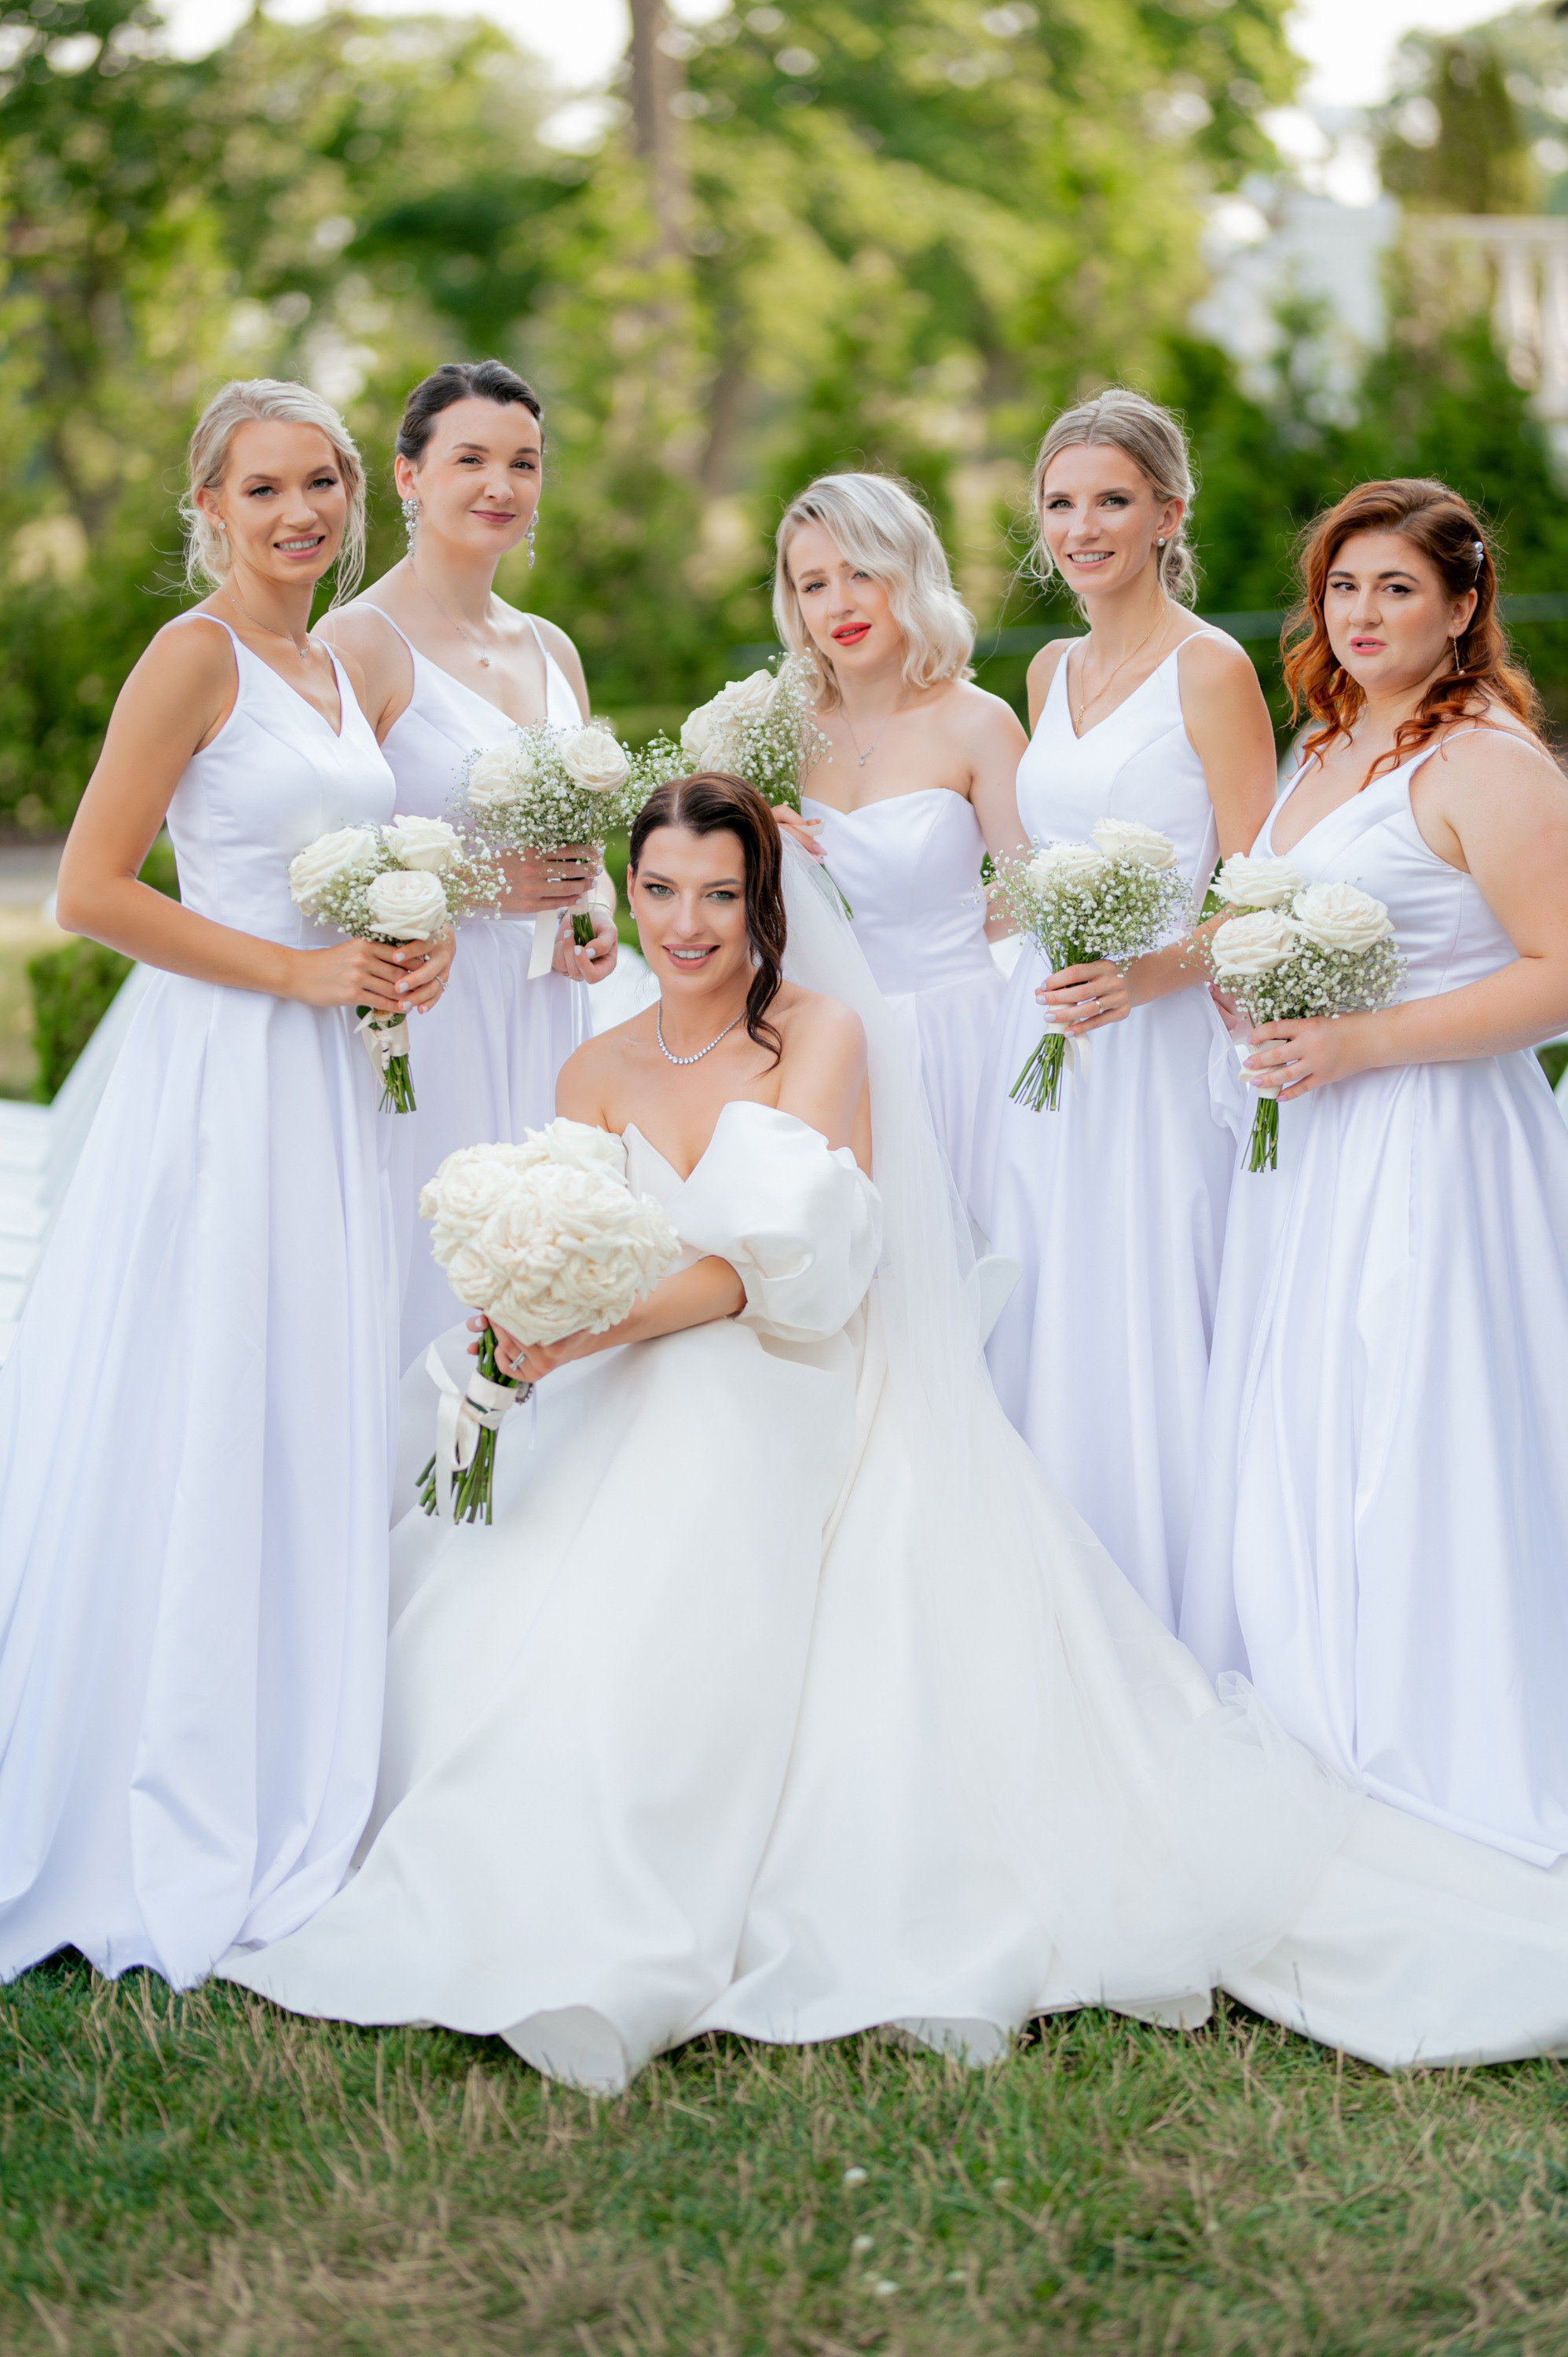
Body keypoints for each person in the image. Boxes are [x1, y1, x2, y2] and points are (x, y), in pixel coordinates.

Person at [224, 772, 1568, 2093]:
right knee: (518, 1513)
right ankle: (520, 1844)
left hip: (788, 1348)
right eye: (662, 891)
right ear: (627, 892)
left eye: (720, 895)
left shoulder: (817, 1036)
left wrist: (592, 1330)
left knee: (696, 1429)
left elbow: (778, 1267)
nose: (687, 925)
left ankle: (651, 1849)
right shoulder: (593, 1066)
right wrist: (529, 1316)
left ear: (764, 905)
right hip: (623, 1350)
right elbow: (582, 1238)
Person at [0, 378, 453, 1990]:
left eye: (321, 482)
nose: (298, 513)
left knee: (302, 1391)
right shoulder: (191, 657)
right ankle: (160, 1780)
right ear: (208, 507)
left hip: (328, 1074)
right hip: (224, 1066)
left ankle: (290, 1745)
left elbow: (349, 863)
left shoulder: (331, 669)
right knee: (202, 1390)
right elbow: (88, 891)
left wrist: (406, 940)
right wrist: (294, 973)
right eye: (262, 488)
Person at [1181, 478, 1568, 1869]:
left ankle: (1431, 1735)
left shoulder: (1486, 764)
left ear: (1462, 608)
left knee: (1414, 1426)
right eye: (1343, 586)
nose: (1362, 613)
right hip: (1312, 1148)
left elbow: (1559, 974)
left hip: (1436, 1148)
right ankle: (1316, 1710)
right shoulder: (1326, 745)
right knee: (1311, 1418)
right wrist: (1248, 984)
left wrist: (1365, 1041)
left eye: (1397, 587)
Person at [969, 390, 1280, 1630]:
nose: (1082, 526)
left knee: (1142, 1299)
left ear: (1168, 514)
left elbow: (1259, 893)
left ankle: (1161, 1604)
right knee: (1043, 1289)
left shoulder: (1212, 670)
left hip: (1154, 1043)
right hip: (1042, 1030)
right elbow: (1018, 865)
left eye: (1112, 500)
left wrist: (1143, 978)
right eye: (1060, 503)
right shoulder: (1047, 670)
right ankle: (1049, 1600)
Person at [318, 359, 619, 1373]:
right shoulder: (356, 643)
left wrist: (594, 907)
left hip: (545, 1007)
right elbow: (322, 861)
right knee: (433, 1258)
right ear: (409, 475)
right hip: (430, 1004)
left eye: (523, 463)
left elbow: (582, 841)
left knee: (537, 1252)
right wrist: (484, 891)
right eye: (471, 460)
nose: (502, 484)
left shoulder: (552, 649)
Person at [770, 473, 1028, 1210]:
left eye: (861, 573)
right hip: (823, 1046)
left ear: (907, 573)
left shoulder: (978, 722)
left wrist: (941, 935)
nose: (839, 605)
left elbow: (1031, 891)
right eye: (814, 585)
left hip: (954, 1039)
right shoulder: (781, 731)